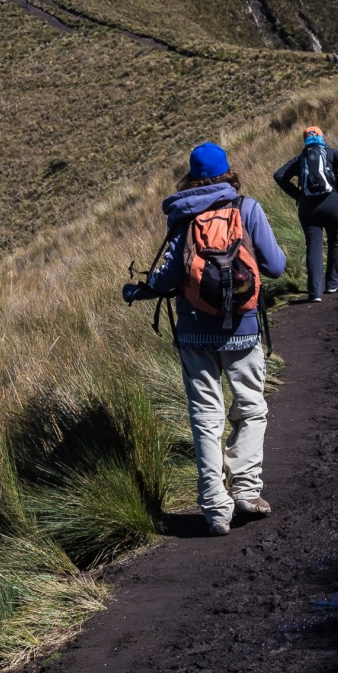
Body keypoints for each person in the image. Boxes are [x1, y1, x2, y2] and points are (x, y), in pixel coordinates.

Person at [125, 142, 287, 536]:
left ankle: (216, 509)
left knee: (205, 417)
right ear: (228, 171)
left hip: (195, 331)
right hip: (242, 329)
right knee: (251, 407)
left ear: (192, 177)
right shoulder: (247, 209)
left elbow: (166, 278)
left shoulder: (183, 217)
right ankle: (247, 491)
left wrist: (137, 290)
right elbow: (277, 266)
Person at [274, 126, 338, 300]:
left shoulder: (300, 158)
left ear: (305, 140)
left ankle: (314, 292)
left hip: (308, 207)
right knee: (335, 240)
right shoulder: (330, 153)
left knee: (313, 246)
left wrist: (298, 195)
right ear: (322, 137)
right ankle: (332, 283)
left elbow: (279, 175)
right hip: (332, 202)